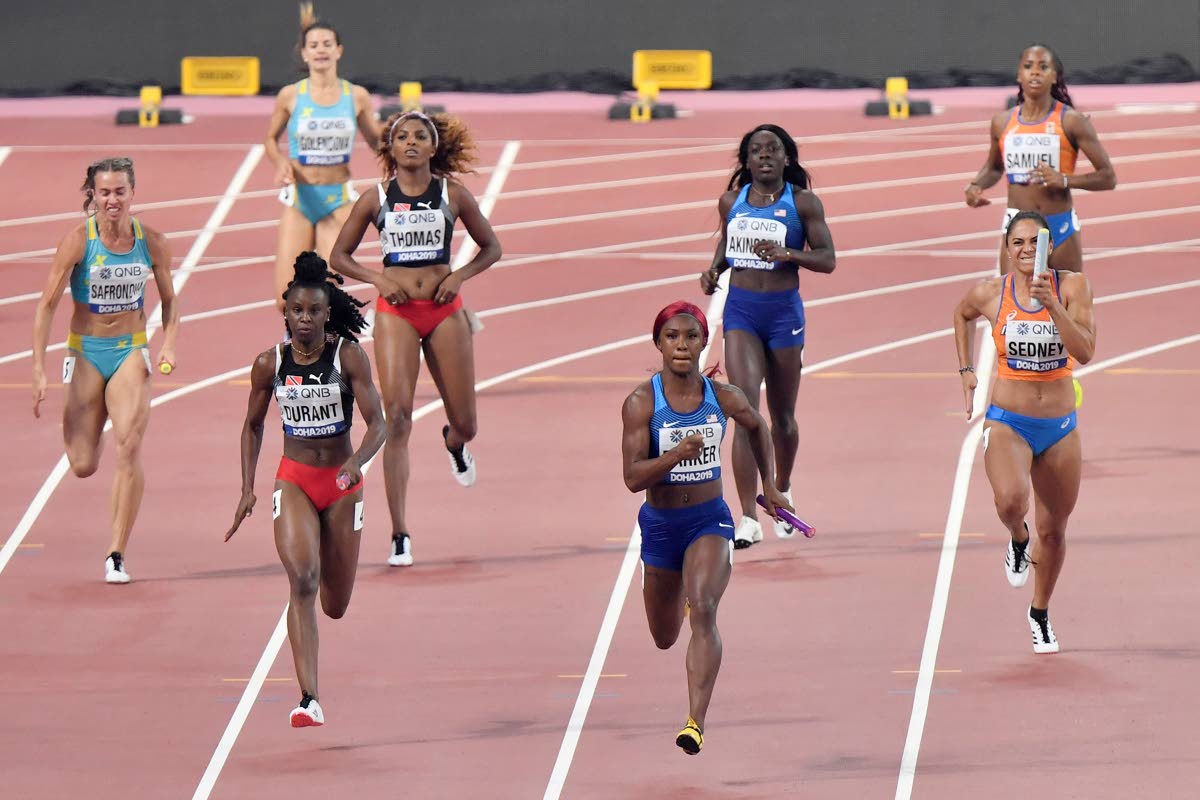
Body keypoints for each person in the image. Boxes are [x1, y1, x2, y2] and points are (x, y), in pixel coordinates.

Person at [330, 110, 501, 567]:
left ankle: (454, 443)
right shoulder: (375, 199)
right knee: (397, 418)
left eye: (419, 136)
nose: (409, 142)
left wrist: (460, 275)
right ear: (389, 149)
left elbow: (492, 247)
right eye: (401, 136)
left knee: (467, 421)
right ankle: (400, 533)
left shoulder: (453, 194)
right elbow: (339, 255)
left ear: (433, 147)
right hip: (396, 314)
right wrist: (377, 279)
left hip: (444, 312)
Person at [621, 301, 792, 754]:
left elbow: (758, 426)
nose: (682, 345)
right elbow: (632, 477)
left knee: (706, 607)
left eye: (691, 337)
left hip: (708, 520)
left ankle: (694, 722)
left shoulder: (723, 397)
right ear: (658, 343)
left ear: (703, 343)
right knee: (663, 638)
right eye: (672, 337)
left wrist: (770, 487)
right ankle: (673, 590)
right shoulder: (642, 402)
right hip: (660, 525)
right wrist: (677, 454)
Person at [226, 252, 385, 727]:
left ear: (327, 312)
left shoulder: (348, 357)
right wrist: (247, 487)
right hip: (294, 480)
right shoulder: (269, 364)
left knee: (334, 605)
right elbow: (252, 426)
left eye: (314, 311)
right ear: (286, 313)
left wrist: (357, 463)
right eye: (297, 311)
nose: (305, 320)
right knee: (302, 580)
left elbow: (381, 424)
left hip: (340, 484)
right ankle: (308, 698)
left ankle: (313, 676)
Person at [952, 211, 1096, 654]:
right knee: (1012, 501)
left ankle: (1040, 612)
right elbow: (961, 314)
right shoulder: (991, 293)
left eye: (1036, 241)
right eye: (1018, 242)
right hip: (1008, 418)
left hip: (1059, 426)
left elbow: (1086, 351)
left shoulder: (1072, 286)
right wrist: (966, 372)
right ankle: (1017, 537)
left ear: (1048, 246)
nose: (1027, 250)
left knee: (1054, 530)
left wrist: (1051, 304)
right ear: (1006, 246)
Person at [31, 157, 178, 584]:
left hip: (130, 348)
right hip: (85, 351)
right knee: (81, 463)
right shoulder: (78, 241)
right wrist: (39, 369)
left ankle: (116, 552)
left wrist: (168, 342)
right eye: (104, 192)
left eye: (119, 192)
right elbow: (45, 306)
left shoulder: (152, 241)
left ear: (132, 193)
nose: (111, 200)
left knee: (129, 444)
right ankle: (92, 424)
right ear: (92, 195)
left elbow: (170, 300)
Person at [698, 123, 835, 548]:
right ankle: (746, 518)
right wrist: (714, 270)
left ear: (787, 158)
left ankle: (782, 487)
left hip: (782, 316)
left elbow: (828, 259)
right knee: (744, 412)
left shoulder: (804, 203)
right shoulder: (730, 202)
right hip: (741, 312)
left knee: (784, 419)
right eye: (756, 150)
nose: (764, 156)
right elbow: (727, 244)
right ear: (746, 160)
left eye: (772, 149)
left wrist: (788, 254)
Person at [264, 3, 380, 313]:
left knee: (325, 297)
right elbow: (270, 140)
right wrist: (280, 163)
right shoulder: (291, 95)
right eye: (313, 45)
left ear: (339, 50)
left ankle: (327, 358)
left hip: (337, 200)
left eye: (327, 44)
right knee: (284, 299)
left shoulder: (356, 96)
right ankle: (297, 352)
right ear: (304, 53)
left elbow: (378, 142)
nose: (321, 50)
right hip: (300, 198)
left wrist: (408, 143)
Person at [965, 43, 1117, 274]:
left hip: (1058, 225)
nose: (1035, 72)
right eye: (1028, 66)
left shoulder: (1071, 121)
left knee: (1068, 303)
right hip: (1017, 225)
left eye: (1043, 66)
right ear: (1019, 75)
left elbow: (1108, 178)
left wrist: (1065, 180)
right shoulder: (1002, 122)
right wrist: (976, 185)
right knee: (1013, 303)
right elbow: (995, 168)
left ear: (1054, 76)